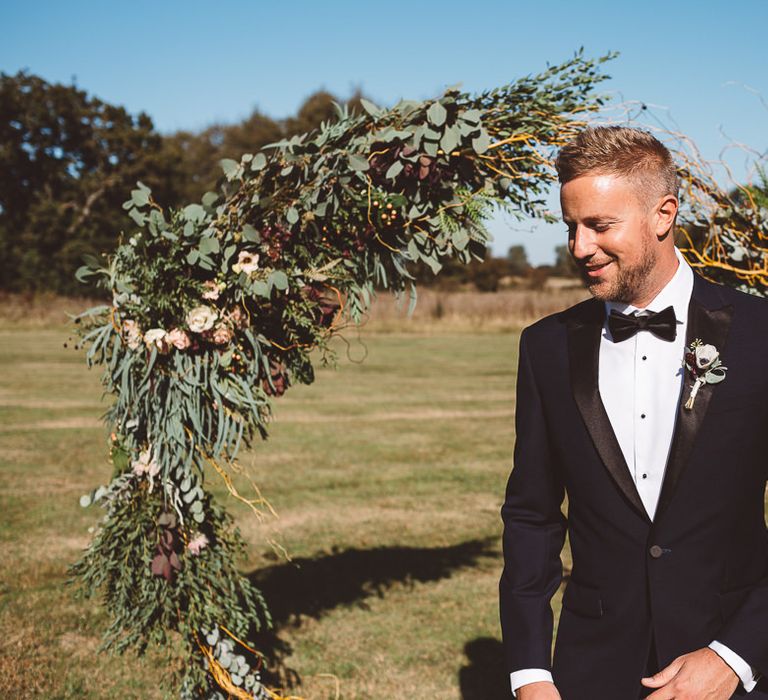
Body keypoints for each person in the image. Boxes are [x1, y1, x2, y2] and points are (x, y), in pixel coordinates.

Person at [498, 125, 768, 699]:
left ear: (663, 214)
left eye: (599, 225)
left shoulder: (759, 336)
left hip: (737, 664)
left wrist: (735, 656)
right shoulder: (546, 346)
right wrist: (530, 672)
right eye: (570, 226)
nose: (578, 247)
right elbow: (532, 515)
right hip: (592, 667)